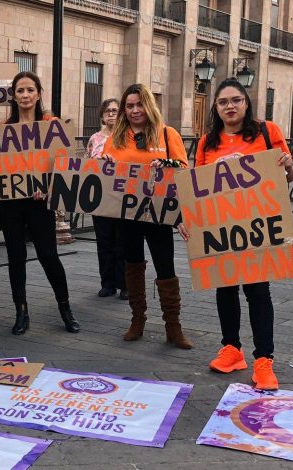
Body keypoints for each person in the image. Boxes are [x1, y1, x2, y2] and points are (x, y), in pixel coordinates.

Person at [180, 78, 293, 390]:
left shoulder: (267, 132)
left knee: (258, 290)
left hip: (257, 225)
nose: (229, 106)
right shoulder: (207, 142)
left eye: (236, 100)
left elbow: (289, 175)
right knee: (225, 287)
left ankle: (264, 360)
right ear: (216, 108)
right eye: (222, 102)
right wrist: (187, 218)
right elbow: (198, 187)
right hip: (221, 226)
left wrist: (288, 165)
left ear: (246, 103)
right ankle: (232, 349)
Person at [0, 71, 80, 336]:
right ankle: (21, 312)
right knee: (16, 258)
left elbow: (64, 165)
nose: (25, 95)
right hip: (11, 203)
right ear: (13, 95)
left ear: (38, 93)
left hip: (39, 203)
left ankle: (65, 309)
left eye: (29, 90)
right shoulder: (4, 128)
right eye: (20, 90)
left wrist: (49, 188)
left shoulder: (51, 124)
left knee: (49, 256)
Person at [101, 83, 192, 349]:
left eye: (139, 104)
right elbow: (105, 171)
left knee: (166, 266)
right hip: (127, 212)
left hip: (159, 213)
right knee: (132, 264)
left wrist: (167, 164)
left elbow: (183, 167)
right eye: (129, 106)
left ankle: (173, 327)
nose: (134, 110)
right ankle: (137, 320)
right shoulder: (115, 138)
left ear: (149, 106)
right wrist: (104, 163)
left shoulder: (166, 134)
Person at [87, 98, 127, 301]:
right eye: (108, 111)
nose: (111, 114)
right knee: (104, 241)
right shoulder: (94, 138)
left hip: (122, 196)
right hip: (100, 197)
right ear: (102, 115)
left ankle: (125, 284)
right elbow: (86, 165)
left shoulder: (128, 137)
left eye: (115, 110)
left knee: (123, 242)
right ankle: (107, 283)